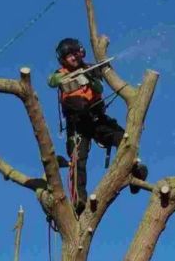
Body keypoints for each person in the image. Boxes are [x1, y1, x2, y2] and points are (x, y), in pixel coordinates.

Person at [48, 38, 148, 192]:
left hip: (96, 118)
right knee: (78, 161)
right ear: (63, 59)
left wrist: (88, 79)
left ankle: (134, 171)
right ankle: (79, 202)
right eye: (69, 55)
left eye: (75, 53)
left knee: (122, 137)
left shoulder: (91, 69)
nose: (73, 57)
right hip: (77, 124)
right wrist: (73, 77)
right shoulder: (61, 73)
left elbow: (99, 88)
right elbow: (52, 81)